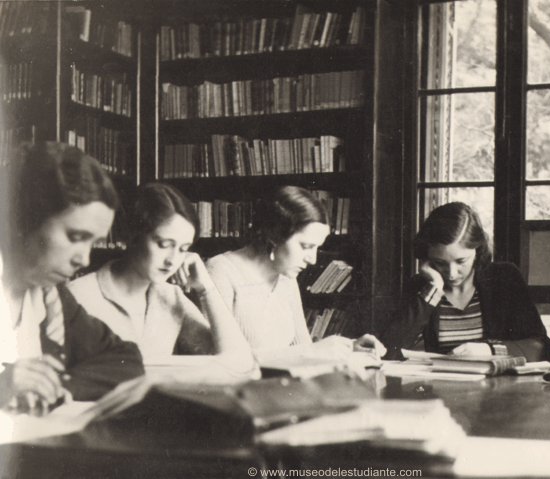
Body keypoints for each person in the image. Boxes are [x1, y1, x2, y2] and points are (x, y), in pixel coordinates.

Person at [0, 142, 144, 413]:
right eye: (76, 237)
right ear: (24, 220)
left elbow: (125, 359)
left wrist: (58, 387)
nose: (84, 260)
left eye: (94, 243)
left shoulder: (50, 297)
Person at [68, 183, 257, 376]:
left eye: (183, 249)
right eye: (164, 244)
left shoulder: (170, 297)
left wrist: (206, 288)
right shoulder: (77, 296)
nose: (172, 260)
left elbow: (240, 363)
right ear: (133, 236)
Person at [206, 186, 385, 362]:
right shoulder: (220, 271)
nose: (312, 260)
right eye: (305, 246)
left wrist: (348, 349)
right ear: (276, 235)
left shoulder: (286, 279)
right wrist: (311, 351)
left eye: (317, 248)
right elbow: (215, 359)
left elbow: (303, 348)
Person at [383, 202, 550, 362]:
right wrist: (433, 288)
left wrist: (490, 350)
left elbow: (541, 347)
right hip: (440, 388)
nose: (451, 273)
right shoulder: (420, 288)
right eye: (439, 263)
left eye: (461, 261)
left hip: (498, 390)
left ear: (477, 251)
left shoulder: (505, 278)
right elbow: (388, 352)